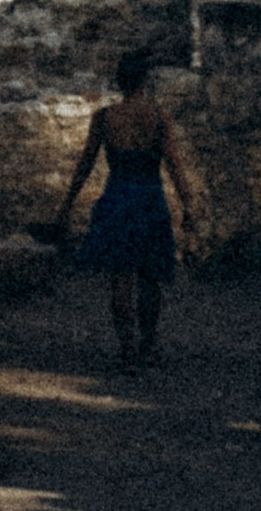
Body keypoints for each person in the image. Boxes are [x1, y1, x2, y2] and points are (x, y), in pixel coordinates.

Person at [56, 45, 199, 369]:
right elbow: (175, 165)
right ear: (145, 81)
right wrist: (188, 205)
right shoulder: (159, 118)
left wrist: (67, 204)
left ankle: (128, 349)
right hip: (150, 198)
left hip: (118, 197)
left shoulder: (105, 118)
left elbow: (85, 164)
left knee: (121, 276)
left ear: (119, 81)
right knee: (150, 276)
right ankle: (148, 344)